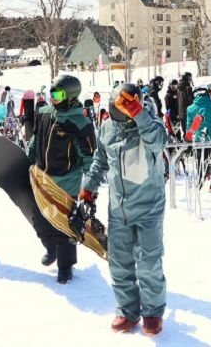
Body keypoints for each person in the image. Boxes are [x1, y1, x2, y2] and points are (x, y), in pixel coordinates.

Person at [79, 83, 168, 335]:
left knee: (149, 262)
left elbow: (159, 143)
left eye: (125, 114)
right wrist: (89, 187)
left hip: (149, 206)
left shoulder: (151, 123)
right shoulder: (108, 128)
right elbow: (99, 160)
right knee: (119, 262)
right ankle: (127, 311)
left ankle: (152, 312)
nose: (120, 119)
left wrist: (139, 114)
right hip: (119, 208)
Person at [27, 74, 95, 284]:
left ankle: (65, 266)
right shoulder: (45, 113)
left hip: (66, 182)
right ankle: (51, 249)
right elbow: (35, 139)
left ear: (71, 97)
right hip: (42, 178)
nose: (53, 98)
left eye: (58, 94)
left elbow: (89, 158)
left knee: (64, 227)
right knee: (39, 220)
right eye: (52, 93)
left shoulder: (80, 124)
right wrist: (28, 160)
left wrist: (89, 188)